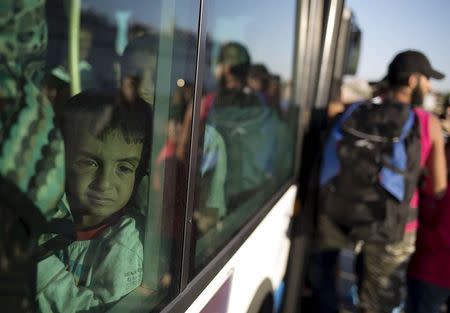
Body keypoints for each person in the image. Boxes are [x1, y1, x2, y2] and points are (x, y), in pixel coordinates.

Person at [310, 50, 447, 313]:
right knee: (378, 302)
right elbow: (438, 188)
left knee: (327, 282)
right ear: (412, 81)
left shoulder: (357, 109)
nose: (430, 86)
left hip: (345, 213)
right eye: (427, 79)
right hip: (395, 226)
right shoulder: (426, 123)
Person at [36, 90, 153, 312]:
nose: (104, 183)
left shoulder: (125, 247)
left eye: (124, 168)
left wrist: (38, 264)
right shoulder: (52, 210)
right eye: (89, 163)